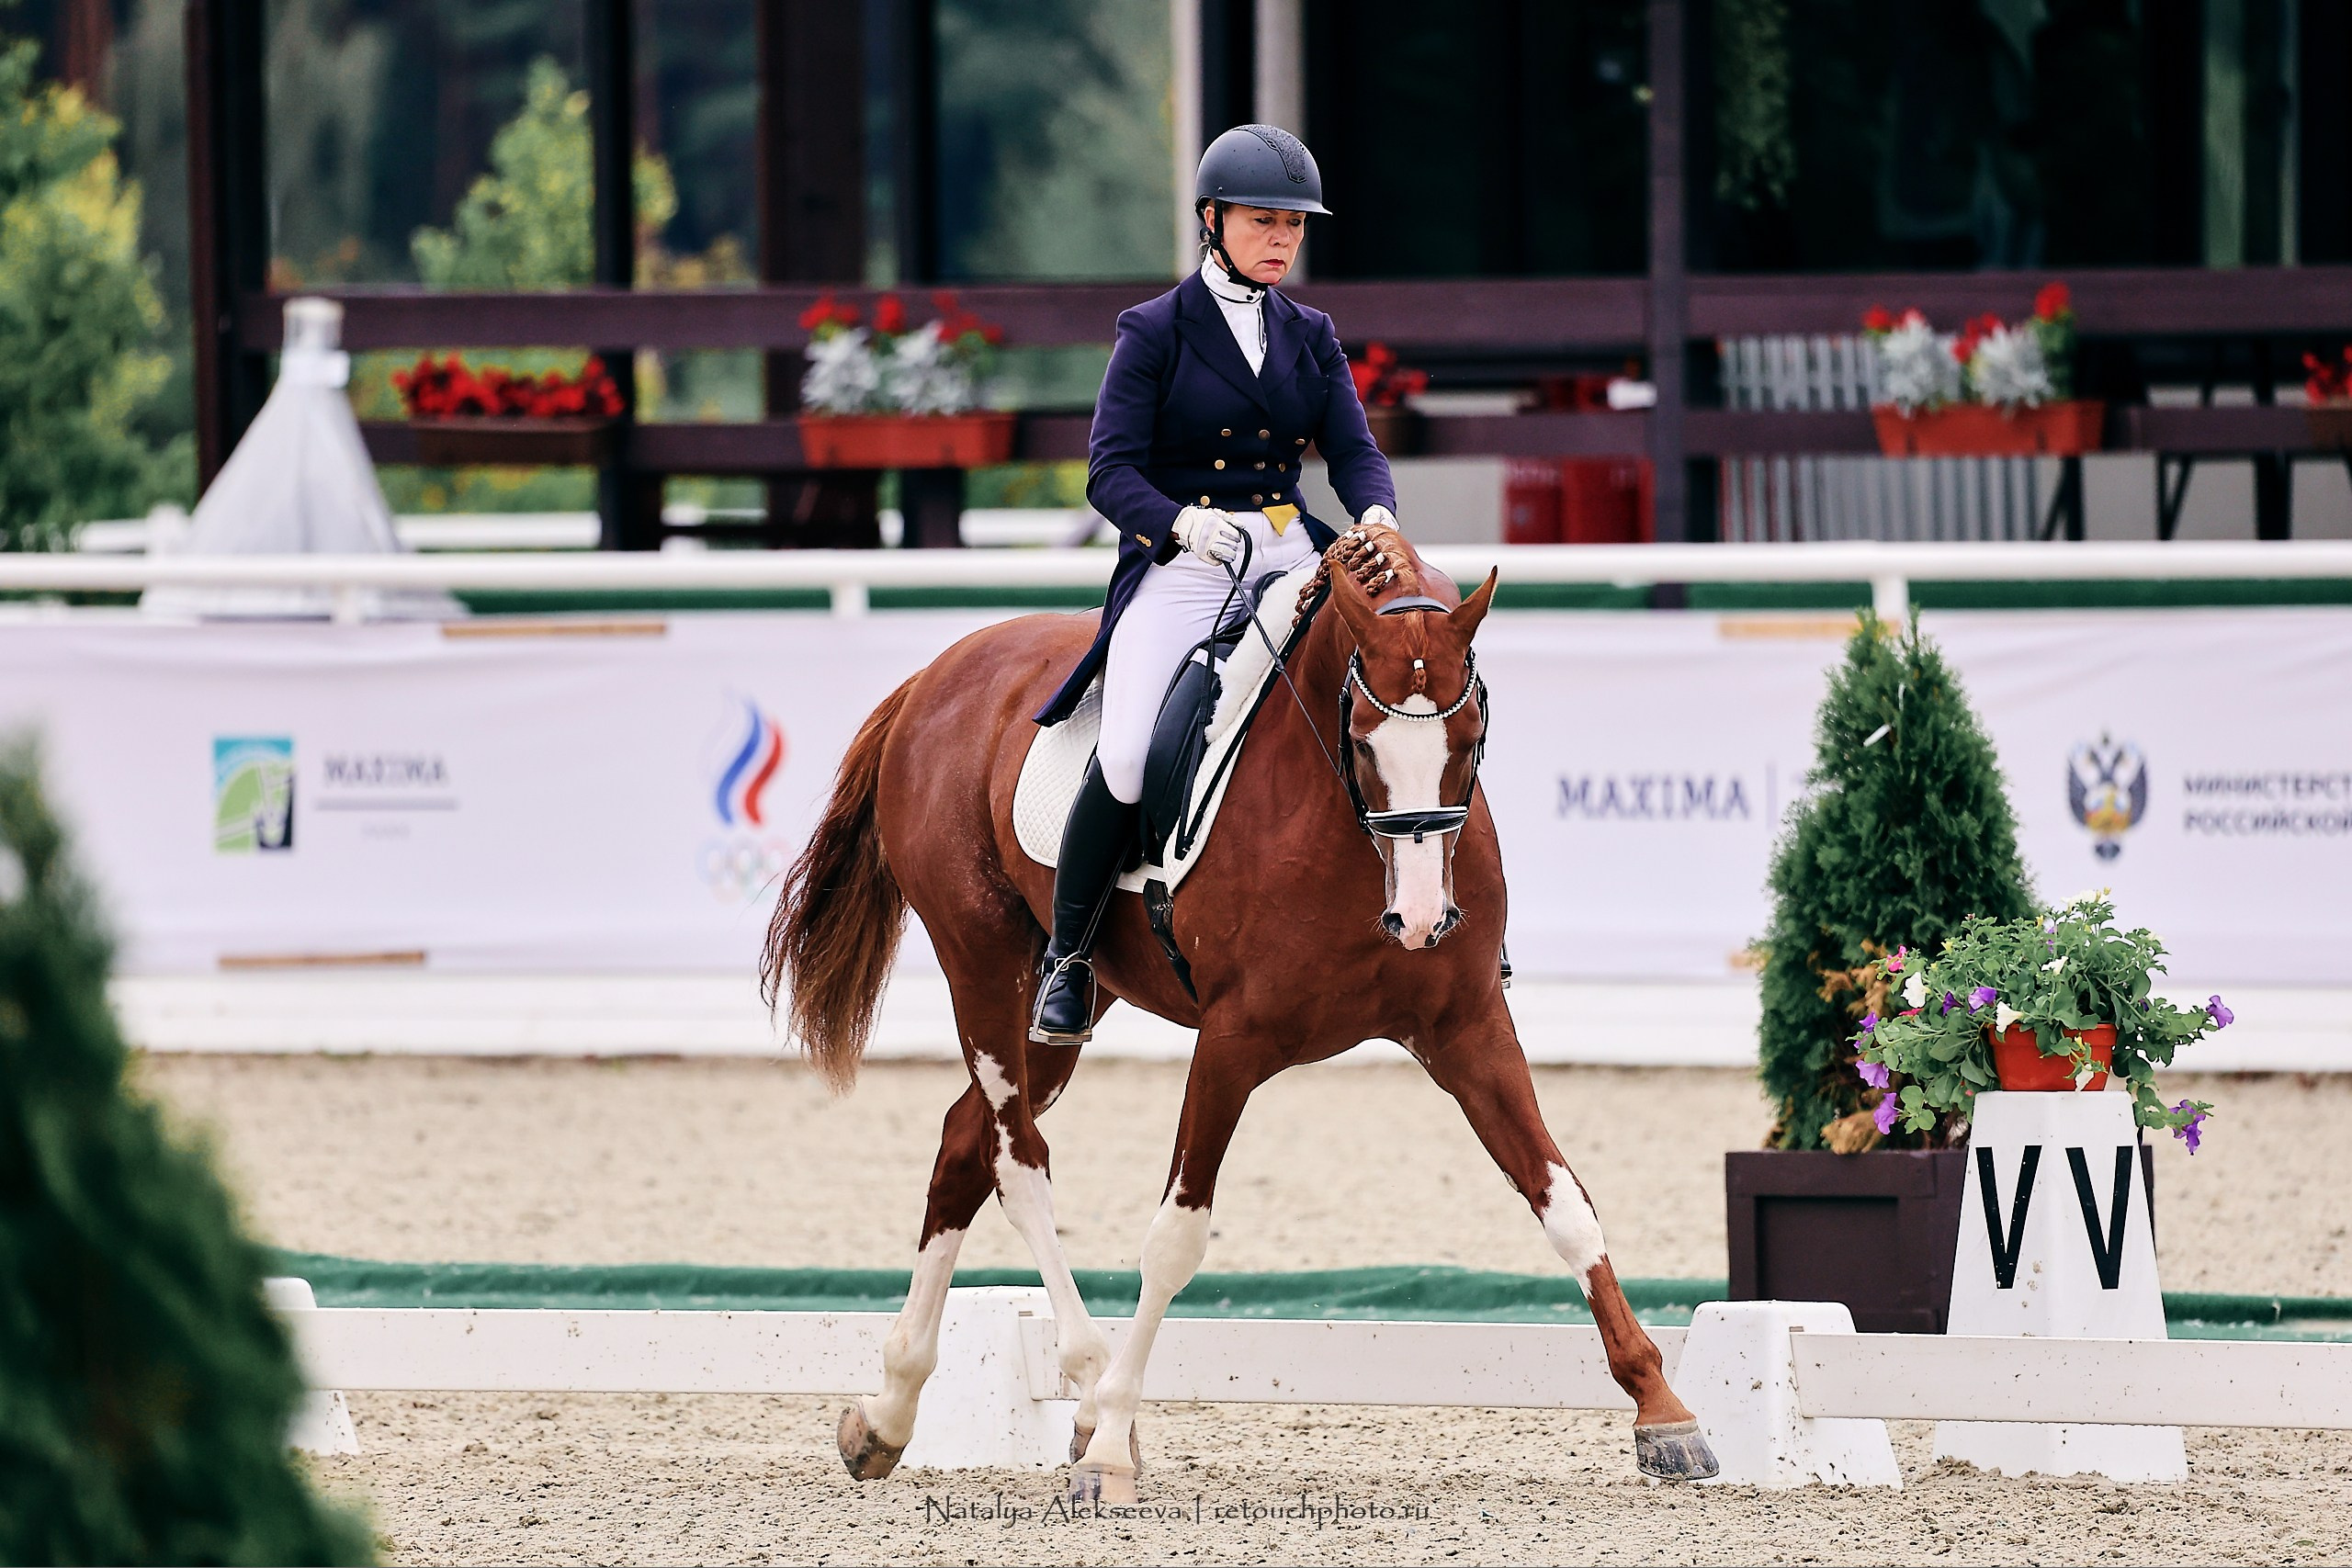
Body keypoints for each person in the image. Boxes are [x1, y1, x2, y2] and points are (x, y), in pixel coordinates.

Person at [1027, 123, 1402, 1045]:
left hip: (1284, 549)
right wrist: (1180, 521)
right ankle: (1068, 961)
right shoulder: (1153, 332)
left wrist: (1378, 514)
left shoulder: (1310, 334)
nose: (1279, 240)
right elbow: (1107, 472)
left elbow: (1351, 451)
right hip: (1185, 563)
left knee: (1407, 681)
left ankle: (1442, 912)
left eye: (1293, 226)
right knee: (1123, 757)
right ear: (1211, 220)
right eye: (1261, 222)